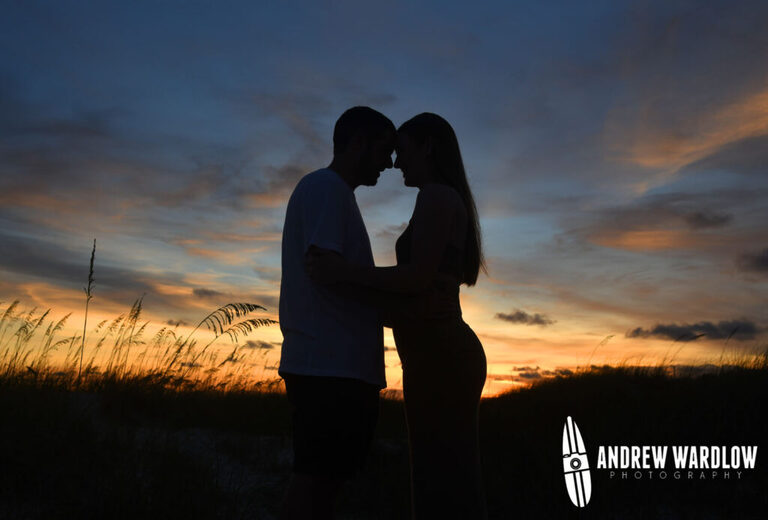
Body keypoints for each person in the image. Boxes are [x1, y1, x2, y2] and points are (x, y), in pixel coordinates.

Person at [307, 113, 488, 519]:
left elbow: (416, 277)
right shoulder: (440, 197)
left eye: (401, 150)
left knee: (444, 484)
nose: (395, 162)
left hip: (441, 355)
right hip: (432, 354)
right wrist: (353, 291)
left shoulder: (437, 195)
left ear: (426, 147)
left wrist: (343, 273)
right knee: (441, 481)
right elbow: (417, 296)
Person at [278, 106, 396, 520]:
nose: (391, 162)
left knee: (325, 486)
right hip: (328, 368)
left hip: (334, 368)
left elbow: (332, 273)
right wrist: (398, 290)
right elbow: (324, 268)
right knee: (314, 483)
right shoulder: (327, 188)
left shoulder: (333, 192)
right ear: (358, 142)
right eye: (385, 149)